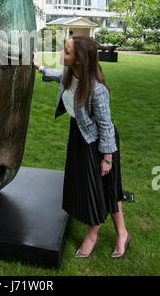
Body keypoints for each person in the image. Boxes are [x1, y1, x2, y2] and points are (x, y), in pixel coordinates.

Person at [33, 35, 131, 258]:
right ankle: (122, 233)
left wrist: (107, 157)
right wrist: (40, 68)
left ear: (79, 60)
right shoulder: (71, 73)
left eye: (66, 52)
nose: (61, 54)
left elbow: (106, 126)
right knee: (109, 188)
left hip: (97, 143)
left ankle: (93, 234)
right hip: (79, 137)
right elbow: (60, 77)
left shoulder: (97, 90)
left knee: (98, 188)